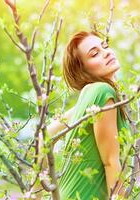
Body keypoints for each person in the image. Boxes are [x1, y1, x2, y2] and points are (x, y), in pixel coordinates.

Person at [46, 31, 130, 200]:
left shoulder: (88, 96)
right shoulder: (102, 91)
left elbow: (45, 134)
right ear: (82, 70)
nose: (106, 52)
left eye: (104, 46)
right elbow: (110, 163)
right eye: (94, 53)